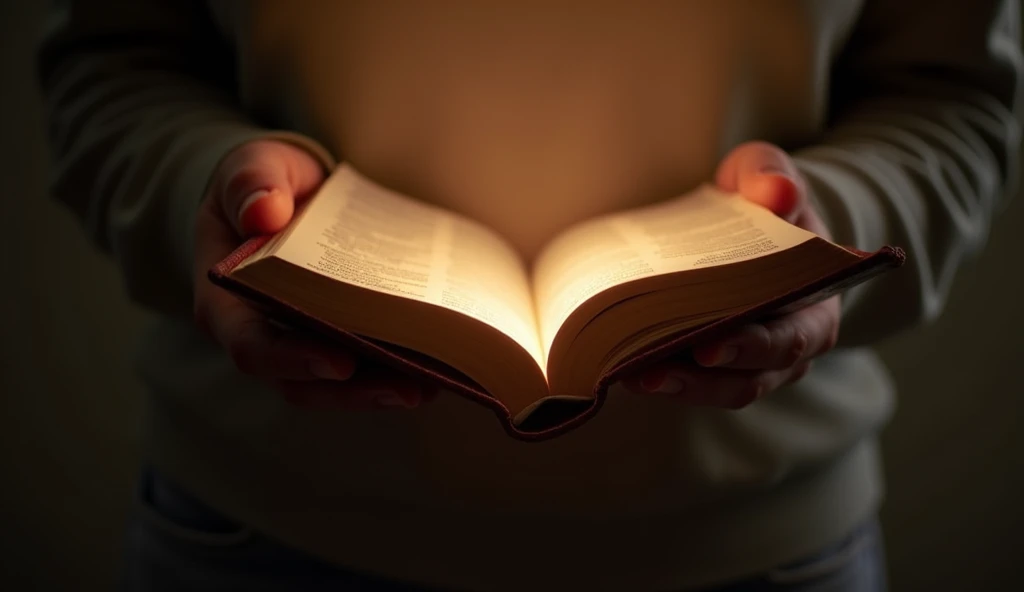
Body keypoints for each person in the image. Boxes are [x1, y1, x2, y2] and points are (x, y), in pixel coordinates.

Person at [37, 1, 1021, 590]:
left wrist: (813, 227)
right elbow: (116, 59)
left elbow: (951, 95)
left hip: (753, 548)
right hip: (259, 533)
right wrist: (206, 198)